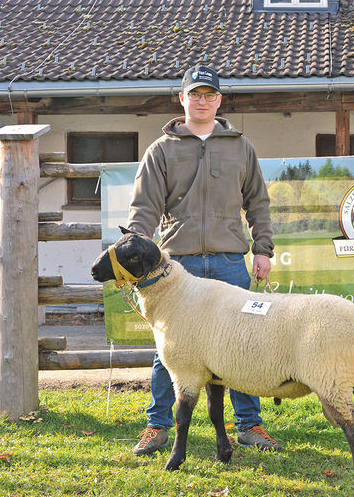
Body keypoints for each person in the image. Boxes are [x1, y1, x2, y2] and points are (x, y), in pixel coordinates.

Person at [126, 64, 281, 455]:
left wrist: (262, 249)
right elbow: (144, 208)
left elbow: (258, 203)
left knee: (243, 344)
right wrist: (136, 254)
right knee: (171, 350)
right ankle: (157, 426)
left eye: (209, 95)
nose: (202, 101)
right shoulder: (160, 151)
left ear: (219, 100)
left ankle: (250, 425)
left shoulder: (241, 146)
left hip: (230, 261)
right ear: (182, 99)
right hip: (178, 267)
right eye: (195, 94)